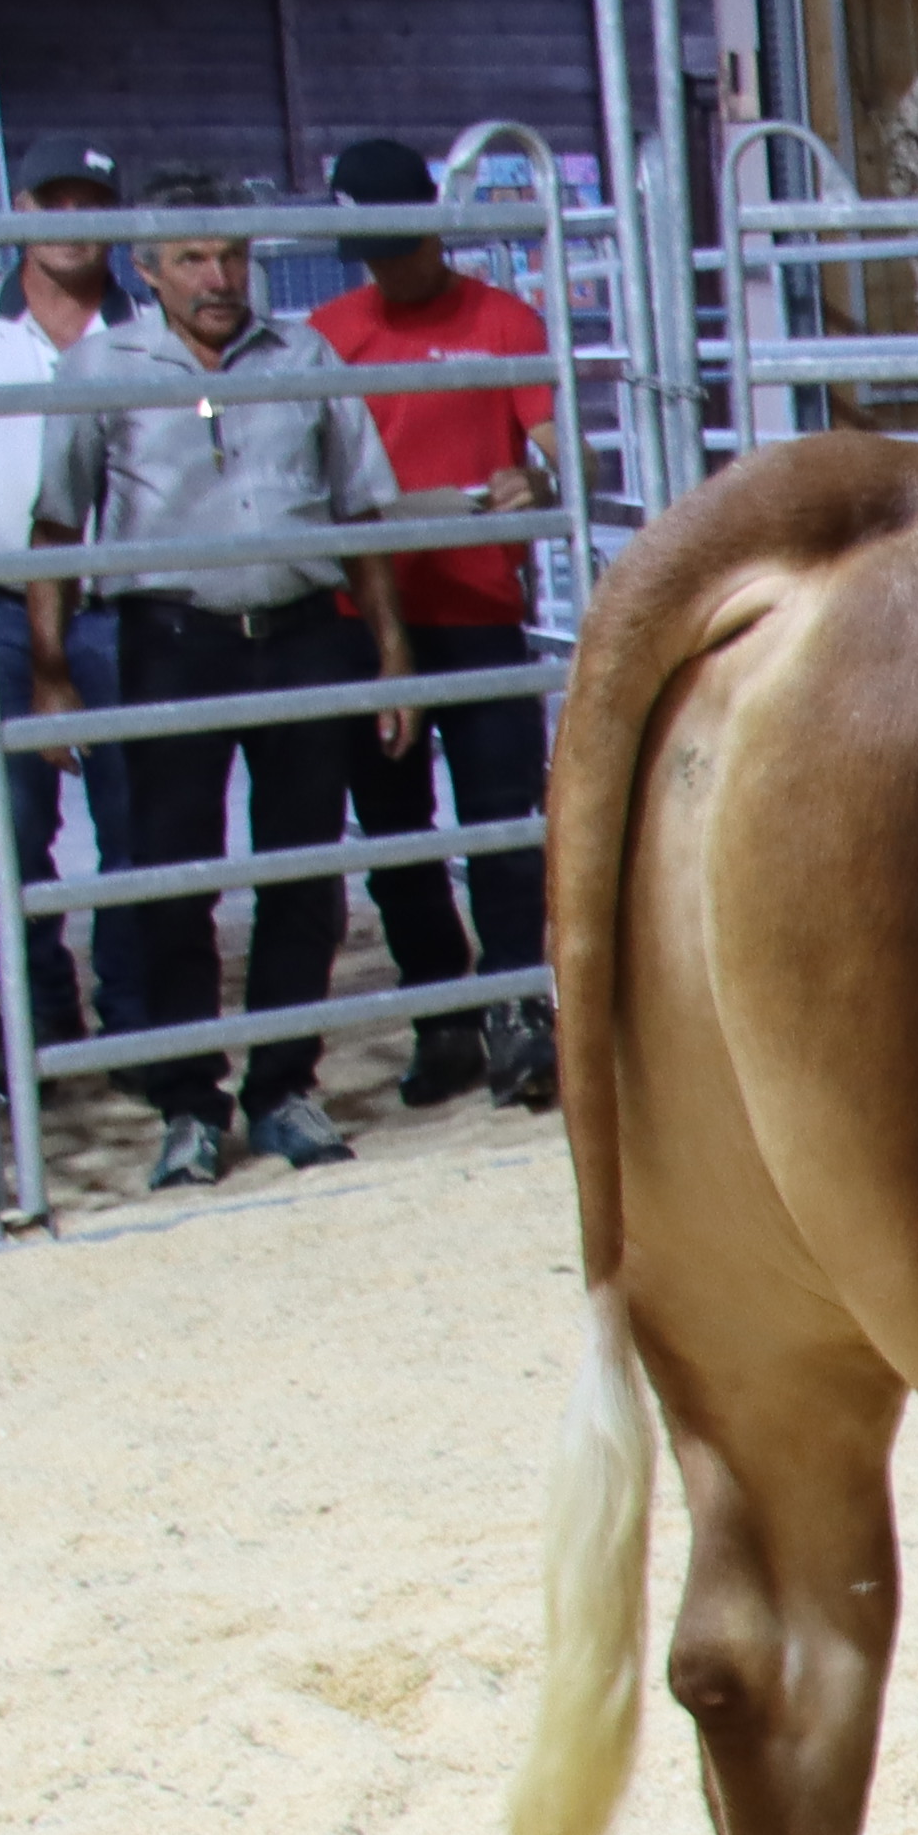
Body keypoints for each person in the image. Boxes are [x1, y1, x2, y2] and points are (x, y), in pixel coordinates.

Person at [27, 173, 404, 1188]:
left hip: (299, 633)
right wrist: (53, 670)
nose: (219, 276)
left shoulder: (306, 355)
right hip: (168, 640)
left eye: (233, 255)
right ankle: (187, 1101)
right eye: (192, 257)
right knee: (171, 875)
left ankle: (284, 1083)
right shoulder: (99, 366)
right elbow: (58, 524)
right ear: (145, 269)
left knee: (302, 870)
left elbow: (361, 511)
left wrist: (391, 656)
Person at [307, 136, 566, 1109]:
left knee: (502, 820)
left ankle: (516, 1013)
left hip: (476, 606)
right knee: (399, 835)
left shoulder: (502, 321)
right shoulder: (328, 334)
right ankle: (441, 1018)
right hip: (367, 614)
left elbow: (552, 444)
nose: (388, 259)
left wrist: (532, 479)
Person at [0, 146, 133, 1051]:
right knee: (7, 835)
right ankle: (41, 1028)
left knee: (140, 830)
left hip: (127, 604)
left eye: (91, 200)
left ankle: (140, 1030)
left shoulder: (155, 326)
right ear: (17, 207)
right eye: (54, 198)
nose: (72, 217)